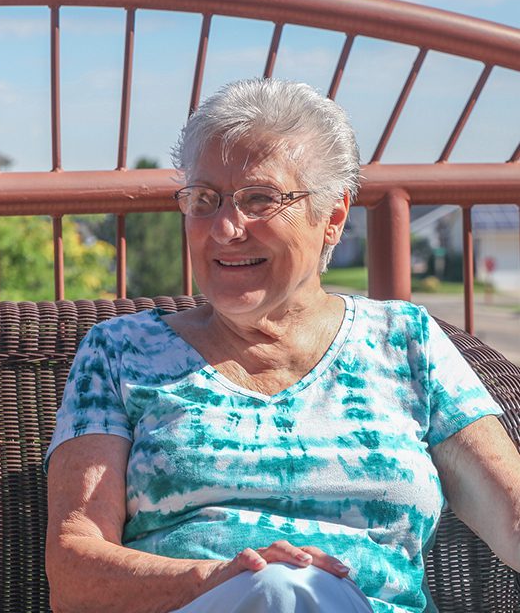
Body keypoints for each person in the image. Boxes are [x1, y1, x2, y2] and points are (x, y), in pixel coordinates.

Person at [45, 78, 520, 613]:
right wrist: (221, 579)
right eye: (205, 200)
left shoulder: (406, 343)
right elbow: (74, 571)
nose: (226, 228)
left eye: (259, 199)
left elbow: (512, 518)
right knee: (278, 589)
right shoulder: (122, 354)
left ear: (332, 217)